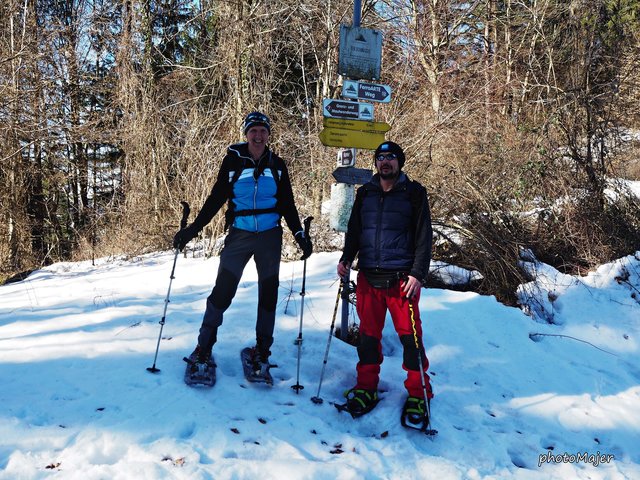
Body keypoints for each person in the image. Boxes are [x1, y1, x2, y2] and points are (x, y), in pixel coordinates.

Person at [174, 111, 312, 380]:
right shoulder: (233, 163)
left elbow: (288, 204)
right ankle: (203, 347)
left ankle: (262, 351)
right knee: (223, 291)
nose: (258, 136)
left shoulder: (278, 166)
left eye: (263, 131)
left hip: (270, 237)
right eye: (253, 131)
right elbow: (215, 200)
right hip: (239, 235)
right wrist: (192, 230)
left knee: (268, 294)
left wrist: (299, 234)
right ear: (246, 134)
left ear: (268, 135)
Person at [336, 140, 433, 426]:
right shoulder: (365, 193)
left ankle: (419, 391)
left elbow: (423, 237)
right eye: (380, 158)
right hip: (368, 278)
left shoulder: (414, 193)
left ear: (399, 162)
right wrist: (345, 258)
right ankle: (366, 387)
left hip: (402, 280)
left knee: (411, 341)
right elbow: (354, 231)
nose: (385, 162)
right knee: (368, 339)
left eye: (391, 157)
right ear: (375, 163)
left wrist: (418, 274)